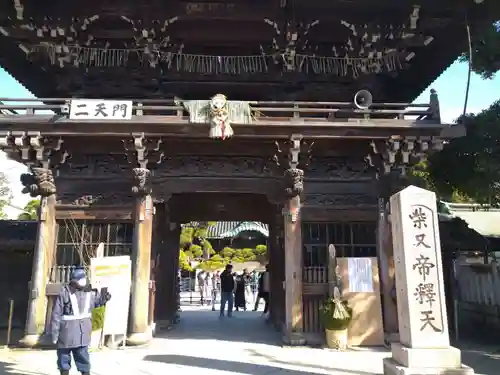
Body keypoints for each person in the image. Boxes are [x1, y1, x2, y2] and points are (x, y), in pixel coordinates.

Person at [50, 267, 111, 375]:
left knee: (67, 359)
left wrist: (104, 298)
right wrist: (103, 299)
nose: (83, 280)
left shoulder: (72, 292)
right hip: (78, 333)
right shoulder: (83, 292)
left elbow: (56, 314)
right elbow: (56, 315)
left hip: (68, 334)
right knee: (80, 358)